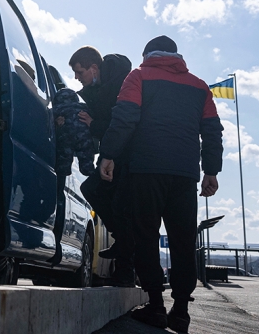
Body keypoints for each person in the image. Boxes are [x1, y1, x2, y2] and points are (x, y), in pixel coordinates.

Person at [98, 35, 222, 333]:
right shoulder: (199, 85)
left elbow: (125, 117)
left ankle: (155, 305)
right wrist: (211, 171)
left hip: (147, 169)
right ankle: (180, 311)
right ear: (176, 56)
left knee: (146, 237)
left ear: (146, 54)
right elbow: (212, 131)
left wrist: (108, 154)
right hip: (184, 175)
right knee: (182, 241)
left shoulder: (138, 75)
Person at [68, 46, 134, 286]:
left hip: (128, 157)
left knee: (121, 207)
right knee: (93, 191)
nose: (77, 78)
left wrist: (95, 125)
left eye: (80, 72)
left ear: (94, 68)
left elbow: (125, 123)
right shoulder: (94, 90)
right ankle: (124, 242)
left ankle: (126, 267)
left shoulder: (121, 84)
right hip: (109, 154)